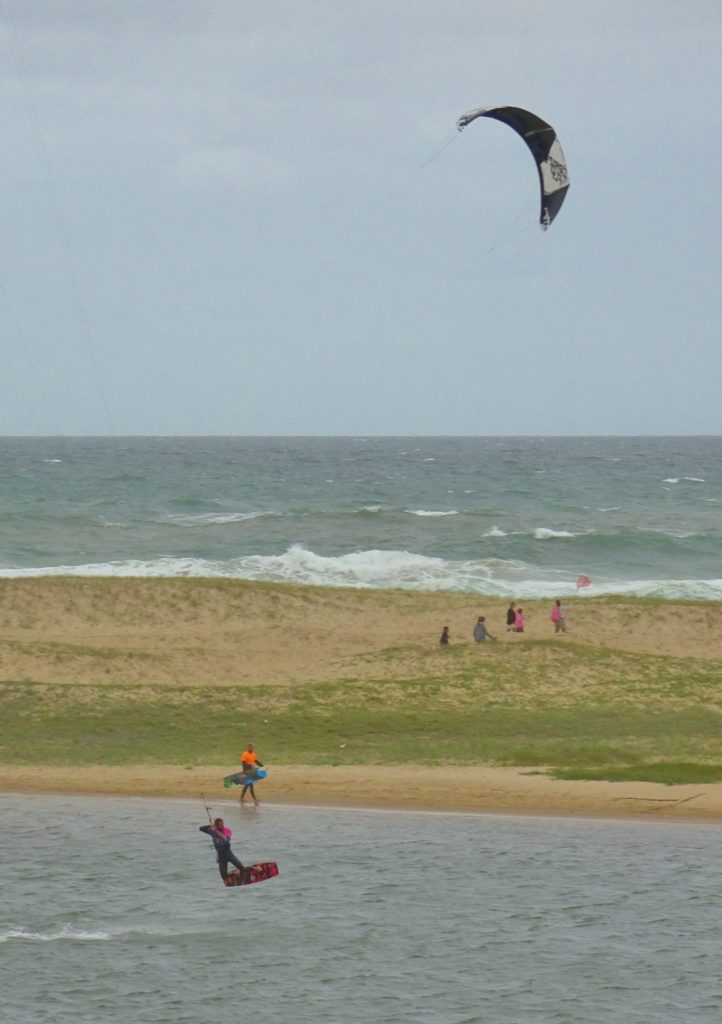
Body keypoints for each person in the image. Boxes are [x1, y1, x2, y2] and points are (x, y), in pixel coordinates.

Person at [199, 817, 245, 881]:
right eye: (221, 825)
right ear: (216, 825)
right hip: (221, 856)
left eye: (223, 824)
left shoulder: (227, 830)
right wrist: (210, 826)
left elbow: (226, 840)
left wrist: (216, 831)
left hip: (228, 854)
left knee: (241, 868)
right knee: (223, 876)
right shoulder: (212, 831)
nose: (223, 826)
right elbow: (201, 828)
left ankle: (243, 876)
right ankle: (235, 875)